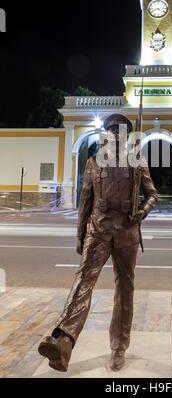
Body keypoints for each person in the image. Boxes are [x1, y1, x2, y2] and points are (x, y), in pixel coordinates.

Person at [38, 114, 158, 372]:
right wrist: (81, 235)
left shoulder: (138, 163)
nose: (116, 132)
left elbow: (152, 194)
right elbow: (85, 201)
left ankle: (119, 347)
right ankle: (63, 342)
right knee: (83, 281)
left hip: (126, 231)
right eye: (111, 128)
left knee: (124, 289)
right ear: (105, 133)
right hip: (98, 228)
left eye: (121, 129)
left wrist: (142, 212)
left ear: (128, 135)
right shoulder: (93, 163)